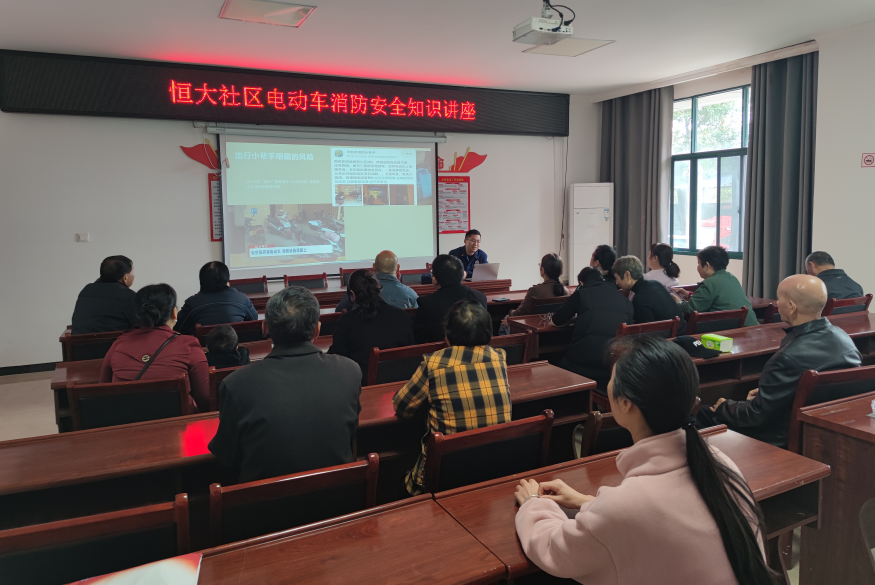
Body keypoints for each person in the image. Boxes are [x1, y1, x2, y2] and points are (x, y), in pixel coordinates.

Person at [514, 336, 770, 585]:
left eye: (612, 379)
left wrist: (534, 504)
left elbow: (555, 550)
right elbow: (658, 516)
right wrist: (587, 503)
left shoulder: (625, 506)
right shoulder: (720, 462)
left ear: (626, 403)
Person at [208, 287, 362, 483]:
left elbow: (227, 456)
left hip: (263, 501)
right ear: (317, 330)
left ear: (265, 328)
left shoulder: (235, 384)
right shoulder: (350, 371)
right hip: (340, 495)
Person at [698, 274, 862, 447]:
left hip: (779, 437)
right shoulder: (844, 338)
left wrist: (725, 406)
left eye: (779, 299)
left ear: (791, 307)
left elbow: (756, 415)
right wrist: (770, 392)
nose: (777, 304)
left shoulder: (787, 357)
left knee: (704, 413)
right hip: (820, 429)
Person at [393, 300, 510, 495]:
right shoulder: (499, 358)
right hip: (491, 471)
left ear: (447, 335)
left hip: (442, 477)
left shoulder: (434, 363)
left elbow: (402, 407)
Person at [99, 283, 210, 412]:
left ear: (138, 315)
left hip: (127, 420)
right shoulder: (188, 345)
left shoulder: (119, 344)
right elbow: (206, 398)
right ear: (174, 313)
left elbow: (103, 391)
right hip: (178, 422)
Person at [328, 269, 416, 385]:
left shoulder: (347, 321)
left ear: (352, 294)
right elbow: (411, 351)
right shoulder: (402, 316)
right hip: (401, 383)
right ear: (378, 289)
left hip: (362, 385)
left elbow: (336, 358)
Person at [552, 267, 633, 387]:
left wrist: (575, 318)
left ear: (581, 283)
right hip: (613, 364)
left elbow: (556, 321)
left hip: (583, 363)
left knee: (557, 361)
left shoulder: (581, 294)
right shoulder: (626, 301)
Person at [672, 246, 757, 327]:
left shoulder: (708, 283)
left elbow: (690, 309)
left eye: (699, 263)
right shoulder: (731, 278)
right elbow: (714, 298)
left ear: (707, 265)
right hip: (750, 326)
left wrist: (677, 301)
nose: (697, 267)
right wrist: (689, 294)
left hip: (728, 329)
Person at [413, 255, 487, 343]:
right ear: (463, 275)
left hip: (442, 350)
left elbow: (418, 339)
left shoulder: (427, 303)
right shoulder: (481, 297)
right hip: (479, 350)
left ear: (434, 280)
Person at [174, 261, 258, 335]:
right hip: (237, 346)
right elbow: (254, 321)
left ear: (201, 281)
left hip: (204, 348)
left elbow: (179, 329)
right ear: (226, 279)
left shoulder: (192, 303)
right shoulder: (242, 299)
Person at [613, 255, 686, 335]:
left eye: (616, 278)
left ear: (627, 275)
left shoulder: (640, 298)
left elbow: (647, 334)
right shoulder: (656, 283)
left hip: (668, 339)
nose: (616, 283)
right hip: (681, 332)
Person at [71, 255, 137, 334]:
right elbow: (140, 326)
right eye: (132, 270)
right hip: (114, 341)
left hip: (79, 341)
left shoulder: (87, 290)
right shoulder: (130, 296)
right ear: (125, 278)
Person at [334, 250, 419, 312]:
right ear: (398, 268)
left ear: (374, 267)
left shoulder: (358, 288)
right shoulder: (410, 294)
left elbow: (339, 311)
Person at [506, 253, 568, 318]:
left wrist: (510, 312)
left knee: (506, 318)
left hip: (535, 324)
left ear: (542, 270)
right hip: (556, 324)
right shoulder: (565, 290)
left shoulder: (535, 291)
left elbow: (519, 313)